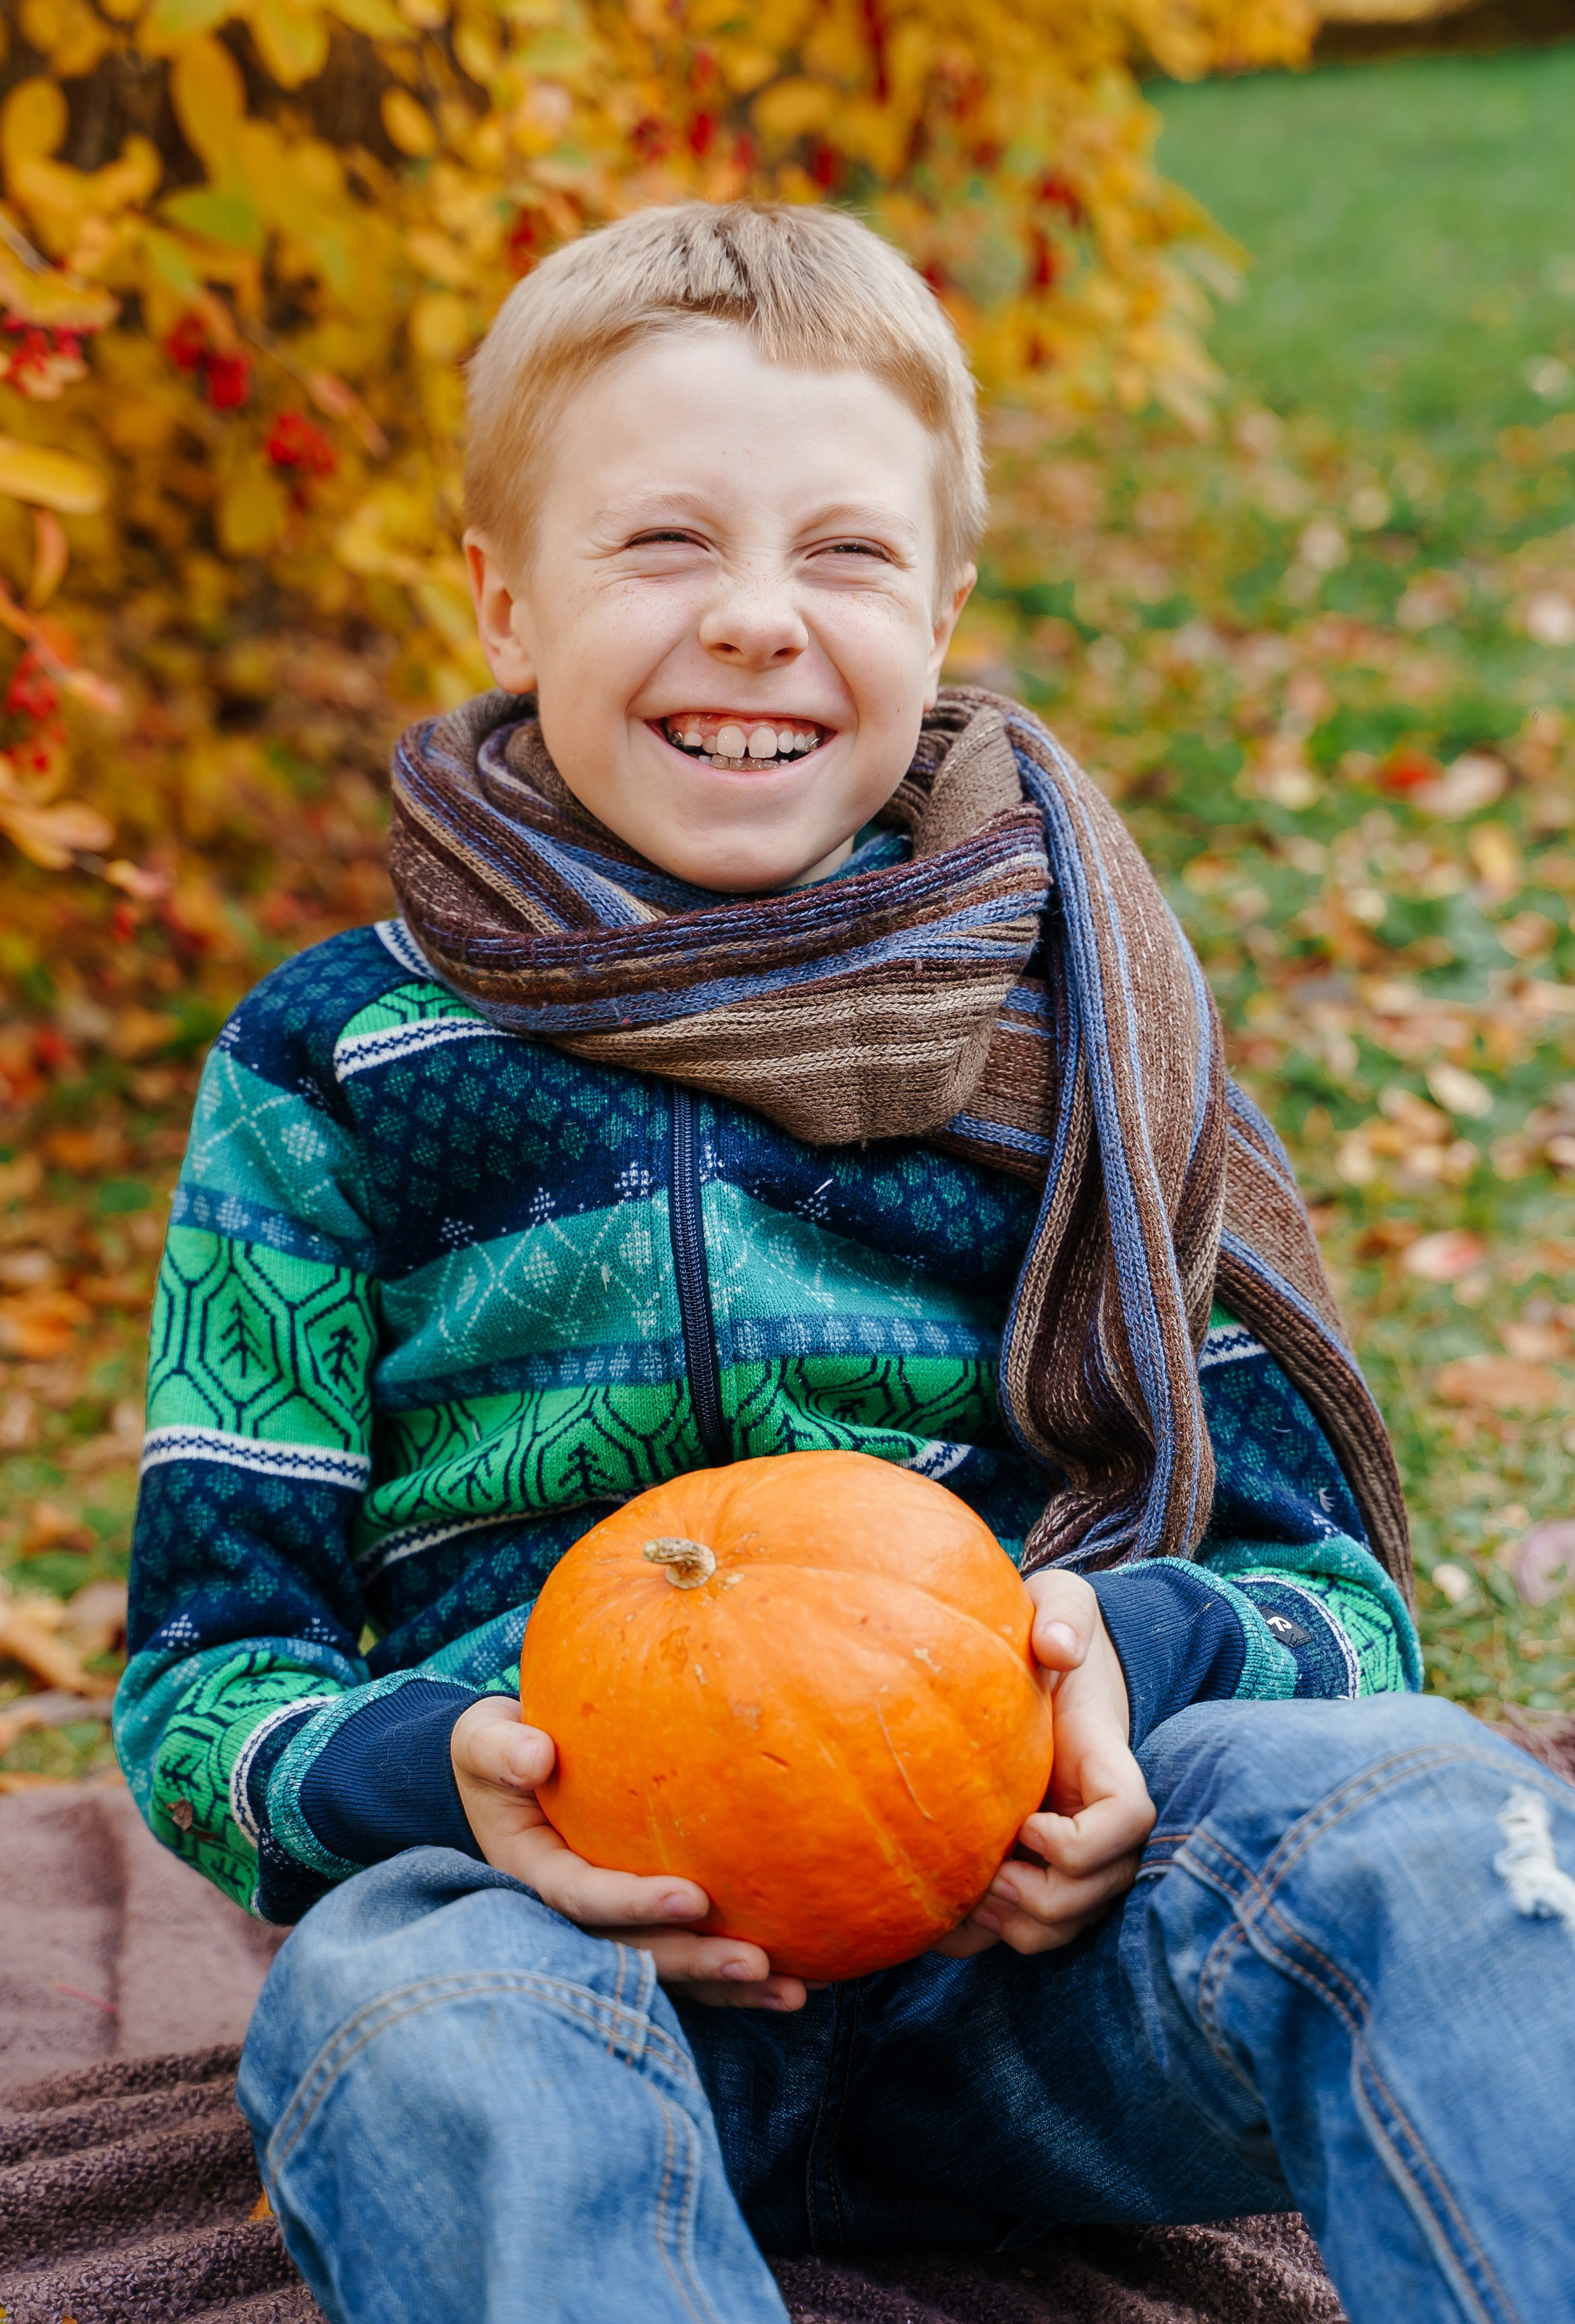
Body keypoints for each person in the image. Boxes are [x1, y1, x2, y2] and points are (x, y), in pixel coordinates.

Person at [116, 202, 1574, 2324]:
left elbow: (1337, 1602)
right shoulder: (334, 1063)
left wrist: (1128, 1680)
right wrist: (440, 1777)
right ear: (502, 594)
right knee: (403, 2013)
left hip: (1044, 1975)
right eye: (664, 546)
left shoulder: (1088, 1016)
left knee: (1441, 1825)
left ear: (949, 599)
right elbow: (200, 1683)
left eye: (848, 553)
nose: (760, 621)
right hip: (559, 1963)